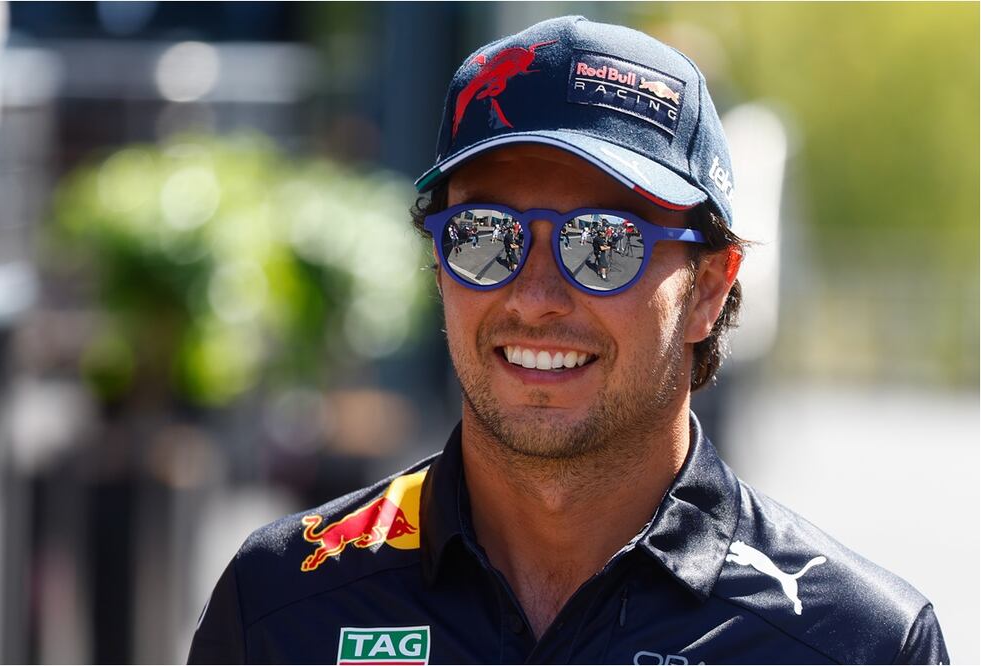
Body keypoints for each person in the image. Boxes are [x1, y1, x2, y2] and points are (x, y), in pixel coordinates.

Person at [188, 16, 948, 665]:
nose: (534, 298)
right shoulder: (283, 602)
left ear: (709, 287)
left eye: (602, 243)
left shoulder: (854, 641)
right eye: (484, 237)